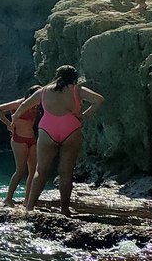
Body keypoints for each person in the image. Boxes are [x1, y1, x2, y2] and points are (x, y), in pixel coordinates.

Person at [14, 65, 105, 216]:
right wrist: (85, 115)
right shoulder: (78, 90)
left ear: (57, 76)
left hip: (47, 130)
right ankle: (64, 209)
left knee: (41, 171)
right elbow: (99, 100)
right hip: (71, 129)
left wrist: (15, 117)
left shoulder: (44, 91)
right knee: (66, 172)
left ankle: (29, 207)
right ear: (74, 77)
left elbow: (24, 105)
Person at [0, 86, 41, 205]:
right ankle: (8, 198)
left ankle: (27, 200)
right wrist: (8, 124)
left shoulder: (36, 105)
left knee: (33, 170)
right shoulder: (19, 103)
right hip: (18, 139)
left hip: (31, 139)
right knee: (20, 170)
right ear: (31, 95)